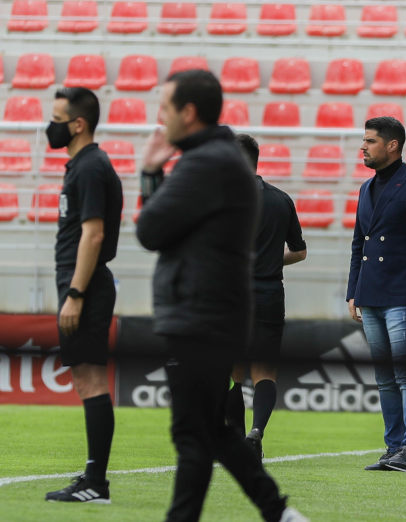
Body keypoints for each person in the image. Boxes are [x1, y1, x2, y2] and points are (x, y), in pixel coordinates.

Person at [135, 69, 305, 522]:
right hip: (213, 312)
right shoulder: (218, 161)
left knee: (192, 434)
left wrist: (150, 172)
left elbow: (151, 231)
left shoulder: (205, 164)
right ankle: (279, 513)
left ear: (188, 113)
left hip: (200, 316)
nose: (159, 116)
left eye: (165, 107)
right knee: (212, 429)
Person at [346, 116, 406, 473]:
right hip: (370, 295)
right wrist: (353, 291)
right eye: (364, 141)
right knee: (385, 378)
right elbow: (359, 244)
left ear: (392, 145)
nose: (363, 148)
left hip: (404, 296)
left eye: (370, 141)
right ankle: (393, 449)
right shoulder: (364, 189)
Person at [44, 87, 122, 504]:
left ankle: (96, 483)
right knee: (83, 377)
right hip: (80, 283)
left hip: (85, 286)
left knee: (90, 378)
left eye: (57, 118)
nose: (50, 126)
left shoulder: (91, 167)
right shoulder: (83, 165)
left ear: (77, 124)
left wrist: (75, 292)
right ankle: (94, 476)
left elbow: (93, 232)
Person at [225, 133, 308, 458]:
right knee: (265, 373)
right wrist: (272, 258)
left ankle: (235, 440)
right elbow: (300, 253)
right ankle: (256, 431)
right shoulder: (281, 199)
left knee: (233, 372)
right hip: (270, 294)